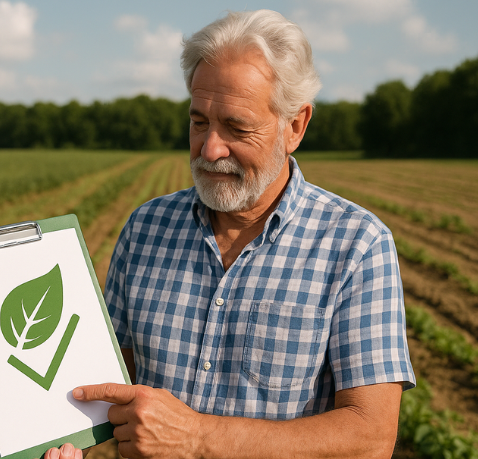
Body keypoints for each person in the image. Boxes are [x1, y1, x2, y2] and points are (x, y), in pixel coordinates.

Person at [46, 9, 415, 459]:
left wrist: (198, 438)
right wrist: (63, 437)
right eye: (199, 122)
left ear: (295, 126)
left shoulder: (357, 245)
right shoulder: (144, 228)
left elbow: (370, 436)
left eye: (237, 127)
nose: (209, 148)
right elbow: (106, 386)